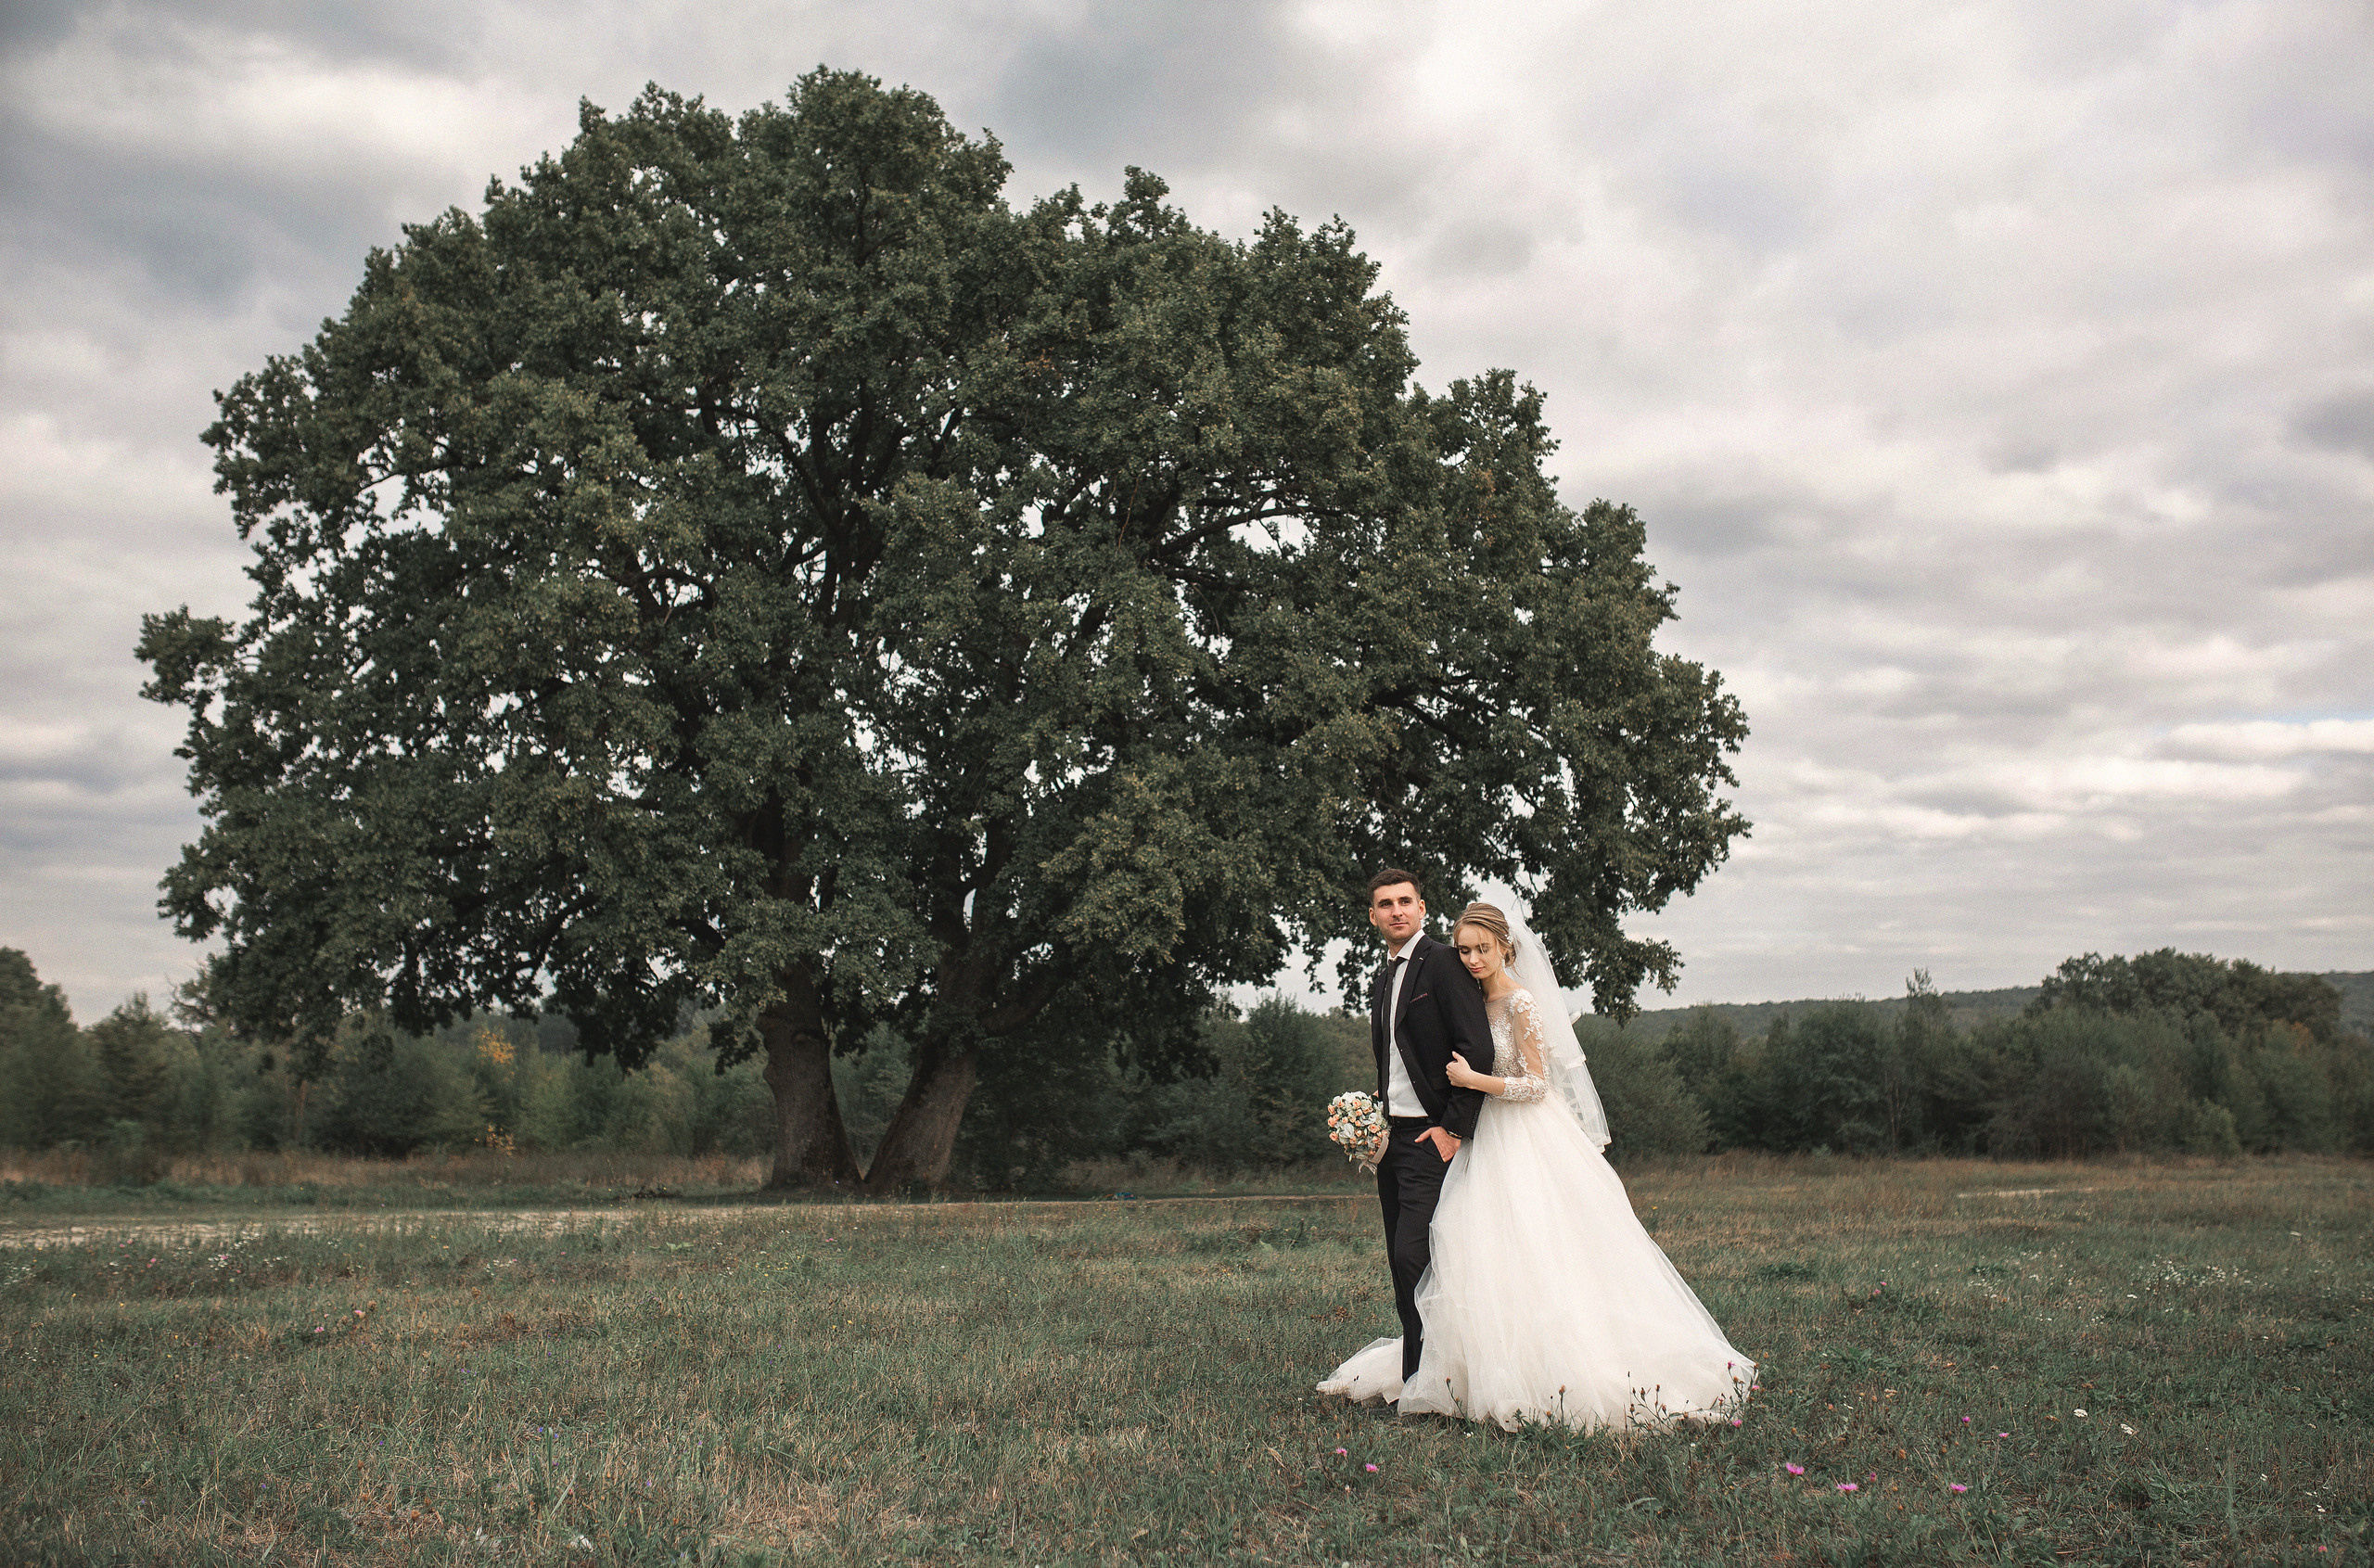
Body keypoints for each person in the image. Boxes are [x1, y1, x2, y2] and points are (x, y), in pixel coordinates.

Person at [1318, 900, 1755, 1431]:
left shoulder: (1521, 1002)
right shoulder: (1468, 997)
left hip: (1524, 1134)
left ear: (1506, 947)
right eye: (1465, 951)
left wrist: (1476, 1082)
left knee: (1539, 1247)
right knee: (1472, 1249)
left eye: (1483, 949)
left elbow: (1537, 1084)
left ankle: (1553, 1366)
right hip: (1484, 1138)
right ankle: (1467, 1364)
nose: (1474, 959)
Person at [1344, 869, 1488, 1391]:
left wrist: (1453, 1128)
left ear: (1423, 909)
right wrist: (1371, 1123)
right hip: (1392, 1140)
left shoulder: (1445, 965)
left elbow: (1477, 1048)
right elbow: (1393, 1060)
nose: (1397, 911)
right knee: (1398, 1259)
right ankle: (1416, 1377)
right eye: (1386, 904)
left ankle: (1439, 1378)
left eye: (1406, 901)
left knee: (1416, 1255)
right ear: (1373, 916)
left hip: (1433, 1136)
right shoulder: (1384, 976)